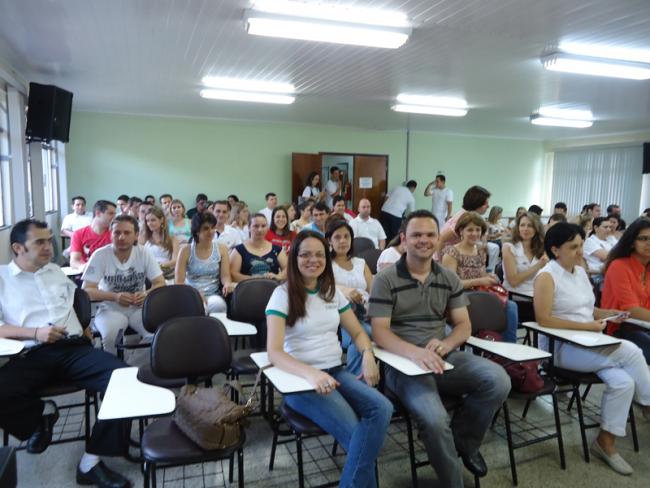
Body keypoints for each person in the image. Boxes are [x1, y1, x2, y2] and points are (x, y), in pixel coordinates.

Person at [369, 210, 510, 486]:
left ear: (439, 239)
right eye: (416, 235)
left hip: (443, 357)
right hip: (404, 365)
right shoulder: (385, 280)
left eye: (430, 234)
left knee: (498, 381)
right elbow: (379, 332)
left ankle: (463, 443)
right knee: (434, 421)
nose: (424, 240)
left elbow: (463, 327)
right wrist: (415, 352)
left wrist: (445, 344)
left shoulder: (448, 277)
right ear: (403, 239)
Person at [0, 219, 132, 488]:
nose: (49, 246)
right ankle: (41, 415)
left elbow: (73, 304)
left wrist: (82, 328)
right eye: (40, 242)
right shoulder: (3, 279)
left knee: (125, 380)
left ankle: (91, 463)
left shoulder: (56, 272)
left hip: (73, 349)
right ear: (18, 248)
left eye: (50, 240)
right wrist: (35, 333)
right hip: (31, 353)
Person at [265, 230, 392, 488]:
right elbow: (274, 352)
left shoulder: (332, 292)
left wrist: (367, 354)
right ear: (294, 258)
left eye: (319, 254)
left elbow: (357, 331)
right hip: (301, 381)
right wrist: (313, 375)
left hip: (335, 371)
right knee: (361, 438)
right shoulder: (282, 294)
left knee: (383, 407)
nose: (313, 260)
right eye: (306, 254)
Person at [533, 222, 650, 475]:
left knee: (624, 383)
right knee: (631, 351)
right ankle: (649, 404)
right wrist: (587, 326)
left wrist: (610, 314)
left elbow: (588, 309)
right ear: (555, 250)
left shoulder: (579, 273)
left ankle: (604, 443)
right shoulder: (547, 275)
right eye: (573, 247)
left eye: (581, 245)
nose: (579, 251)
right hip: (561, 348)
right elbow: (543, 319)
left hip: (588, 343)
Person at [82, 215, 165, 354]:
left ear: (136, 235)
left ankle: (131, 367)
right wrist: (114, 296)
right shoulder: (100, 255)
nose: (121, 237)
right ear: (111, 234)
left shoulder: (143, 252)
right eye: (117, 232)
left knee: (158, 335)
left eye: (127, 233)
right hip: (110, 308)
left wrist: (146, 294)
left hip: (139, 307)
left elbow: (160, 283)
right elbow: (87, 290)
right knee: (110, 337)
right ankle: (115, 369)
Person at [441, 212, 519, 343]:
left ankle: (509, 347)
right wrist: (480, 280)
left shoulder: (480, 250)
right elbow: (451, 285)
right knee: (501, 306)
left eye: (478, 230)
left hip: (480, 293)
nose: (475, 233)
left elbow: (481, 274)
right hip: (459, 297)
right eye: (470, 229)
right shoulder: (451, 252)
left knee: (511, 306)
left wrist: (489, 277)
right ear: (461, 231)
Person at [326, 220, 374, 375]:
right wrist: (345, 291)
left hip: (365, 314)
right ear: (329, 240)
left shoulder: (361, 263)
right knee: (362, 336)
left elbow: (373, 292)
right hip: (339, 320)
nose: (343, 241)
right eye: (337, 237)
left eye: (347, 236)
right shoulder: (325, 264)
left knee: (384, 332)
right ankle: (356, 380)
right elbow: (324, 288)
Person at [601, 217, 650, 363]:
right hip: (621, 328)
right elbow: (631, 310)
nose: (649, 243)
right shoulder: (619, 266)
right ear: (632, 241)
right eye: (643, 238)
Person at [175, 212, 234, 313]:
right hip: (191, 294)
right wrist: (195, 293)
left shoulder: (222, 249)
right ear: (197, 231)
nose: (211, 231)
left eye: (212, 228)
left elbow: (225, 276)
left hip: (213, 295)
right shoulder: (185, 251)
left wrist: (227, 284)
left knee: (218, 305)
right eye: (206, 228)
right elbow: (179, 281)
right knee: (198, 307)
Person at [437, 185, 500, 272]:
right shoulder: (462, 219)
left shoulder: (471, 217)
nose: (488, 206)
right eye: (486, 203)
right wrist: (441, 264)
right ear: (477, 203)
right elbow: (440, 239)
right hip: (447, 260)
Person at [230, 213, 287, 282]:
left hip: (272, 289)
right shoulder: (239, 250)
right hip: (247, 289)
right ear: (249, 228)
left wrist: (278, 276)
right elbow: (233, 274)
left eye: (263, 226)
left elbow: (288, 269)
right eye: (256, 226)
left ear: (267, 228)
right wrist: (252, 279)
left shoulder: (277, 249)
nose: (260, 229)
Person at [502, 212, 547, 298]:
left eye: (530, 226)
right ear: (518, 228)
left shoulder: (542, 248)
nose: (525, 229)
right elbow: (513, 281)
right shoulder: (509, 247)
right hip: (515, 294)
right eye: (522, 225)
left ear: (536, 229)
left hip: (536, 293)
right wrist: (538, 265)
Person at [69, 200, 116, 270]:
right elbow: (74, 261)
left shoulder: (115, 234)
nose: (114, 217)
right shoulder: (78, 234)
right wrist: (85, 267)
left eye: (114, 214)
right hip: (87, 273)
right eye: (110, 213)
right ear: (98, 213)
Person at [139, 206, 179, 280]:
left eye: (153, 220)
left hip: (167, 273)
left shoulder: (172, 238)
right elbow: (137, 257)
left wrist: (159, 266)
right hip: (147, 274)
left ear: (161, 220)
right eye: (147, 221)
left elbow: (175, 260)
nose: (149, 223)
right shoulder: (144, 237)